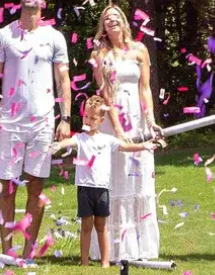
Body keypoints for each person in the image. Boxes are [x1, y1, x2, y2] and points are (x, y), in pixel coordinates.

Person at [0, 0, 72, 259]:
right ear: (20, 0)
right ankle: (7, 252)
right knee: (7, 187)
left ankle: (29, 253)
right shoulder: (3, 35)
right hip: (10, 122)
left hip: (43, 122)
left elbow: (63, 80)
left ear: (43, 3)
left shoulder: (54, 37)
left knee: (36, 186)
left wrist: (65, 118)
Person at [89, 4, 162, 260]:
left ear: (123, 22)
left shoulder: (140, 50)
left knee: (138, 177)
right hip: (114, 120)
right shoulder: (101, 53)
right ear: (104, 28)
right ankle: (115, 248)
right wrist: (118, 130)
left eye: (115, 17)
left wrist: (151, 122)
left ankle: (140, 248)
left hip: (138, 119)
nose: (111, 21)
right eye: (106, 19)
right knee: (117, 179)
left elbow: (145, 89)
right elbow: (105, 92)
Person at [51, 96, 157, 267]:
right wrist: (59, 145)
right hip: (85, 189)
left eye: (93, 118)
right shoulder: (80, 138)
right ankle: (84, 262)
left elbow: (125, 146)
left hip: (102, 189)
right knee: (86, 226)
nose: (88, 120)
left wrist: (144, 146)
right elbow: (69, 141)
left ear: (101, 120)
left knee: (101, 226)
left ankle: (105, 261)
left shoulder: (107, 140)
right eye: (86, 116)